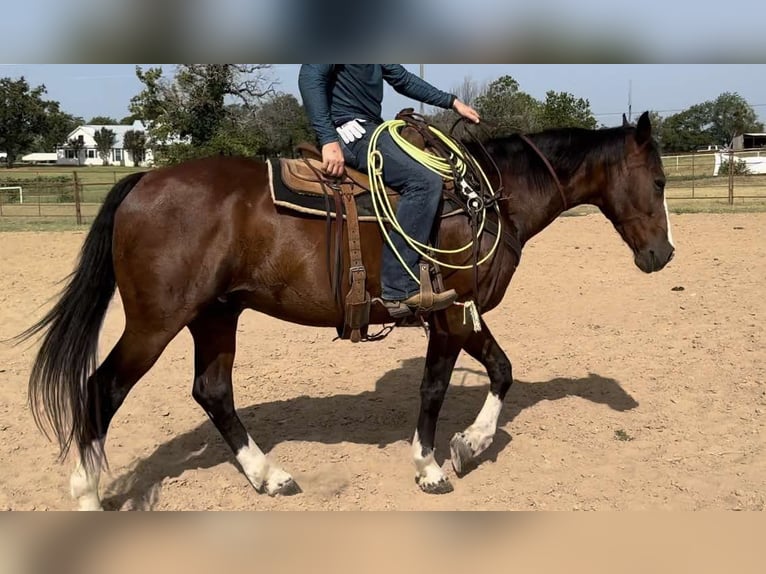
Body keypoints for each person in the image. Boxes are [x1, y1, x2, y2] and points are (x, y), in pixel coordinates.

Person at [298, 64, 481, 315]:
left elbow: (403, 79)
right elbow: (310, 76)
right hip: (352, 131)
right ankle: (398, 287)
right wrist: (328, 139)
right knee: (424, 182)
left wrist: (452, 102)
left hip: (373, 127)